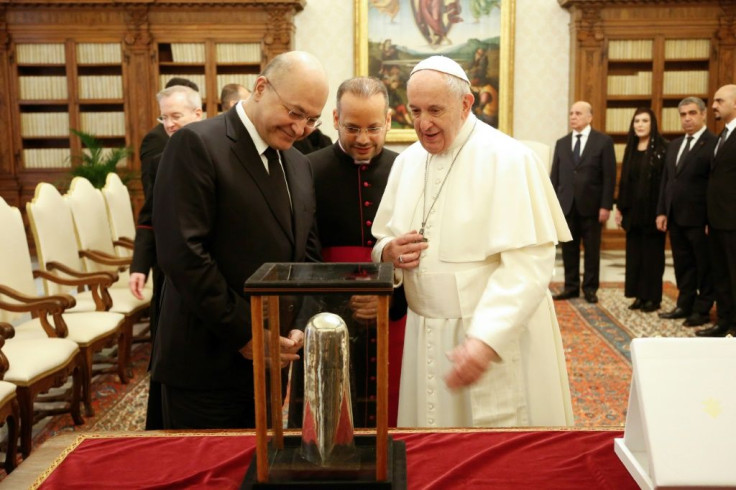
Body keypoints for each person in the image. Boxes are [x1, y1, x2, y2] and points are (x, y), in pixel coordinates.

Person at [371, 56, 573, 428]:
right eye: (414, 110)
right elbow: (383, 237)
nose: (423, 123)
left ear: (466, 104)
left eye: (435, 110)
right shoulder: (407, 163)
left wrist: (486, 340)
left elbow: (529, 266)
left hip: (491, 334)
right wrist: (387, 252)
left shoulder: (510, 159)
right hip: (425, 332)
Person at [151, 51, 328, 429]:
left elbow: (308, 254)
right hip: (207, 358)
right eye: (294, 113)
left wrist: (303, 318)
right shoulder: (196, 143)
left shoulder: (298, 163)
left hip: (272, 359)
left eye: (312, 119)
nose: (300, 129)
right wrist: (247, 334)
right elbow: (183, 254)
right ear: (262, 88)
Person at [306, 76, 405, 427]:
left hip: (395, 308)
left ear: (389, 121)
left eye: (373, 127)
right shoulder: (307, 168)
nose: (363, 139)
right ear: (335, 119)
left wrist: (392, 294)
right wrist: (345, 295)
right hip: (327, 307)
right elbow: (304, 250)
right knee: (332, 409)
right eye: (352, 127)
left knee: (395, 409)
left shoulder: (406, 170)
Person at [129, 79, 201, 430]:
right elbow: (150, 214)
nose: (170, 124)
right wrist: (139, 264)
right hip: (169, 267)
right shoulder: (158, 154)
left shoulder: (220, 148)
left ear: (198, 113)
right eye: (165, 118)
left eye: (176, 116)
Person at [656, 97, 716, 326]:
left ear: (703, 115)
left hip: (700, 218)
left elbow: (714, 185)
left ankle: (702, 310)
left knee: (704, 266)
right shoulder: (674, 145)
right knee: (683, 264)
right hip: (675, 216)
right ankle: (685, 303)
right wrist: (662, 211)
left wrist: (711, 218)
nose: (687, 118)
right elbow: (667, 181)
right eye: (683, 114)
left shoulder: (713, 143)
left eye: (692, 113)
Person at [551, 101, 617, 304]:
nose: (573, 116)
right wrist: (553, 207)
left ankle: (590, 289)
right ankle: (570, 287)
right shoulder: (562, 143)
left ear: (590, 117)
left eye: (578, 113)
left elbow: (609, 176)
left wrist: (606, 205)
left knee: (591, 251)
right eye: (571, 113)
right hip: (567, 206)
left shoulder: (603, 142)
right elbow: (555, 177)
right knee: (569, 251)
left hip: (592, 207)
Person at [614, 108, 667, 312]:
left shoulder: (663, 148)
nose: (640, 124)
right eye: (637, 121)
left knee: (652, 256)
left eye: (645, 120)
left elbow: (664, 183)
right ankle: (638, 295)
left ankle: (652, 298)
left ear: (652, 124)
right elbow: (625, 181)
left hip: (653, 212)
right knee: (634, 256)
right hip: (632, 212)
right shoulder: (631, 147)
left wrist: (663, 211)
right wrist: (619, 208)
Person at [700, 84, 736, 337]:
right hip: (717, 219)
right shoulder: (721, 135)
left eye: (719, 101)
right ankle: (724, 320)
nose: (713, 106)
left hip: (734, 220)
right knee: (721, 274)